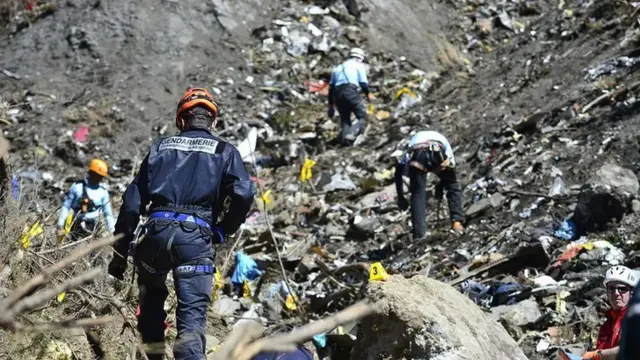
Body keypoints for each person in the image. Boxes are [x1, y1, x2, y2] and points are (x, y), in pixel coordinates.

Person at [107, 87, 256, 360]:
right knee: (191, 316)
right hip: (195, 239)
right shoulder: (225, 151)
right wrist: (225, 228)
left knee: (150, 300)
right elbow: (244, 193)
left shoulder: (159, 149)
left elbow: (131, 206)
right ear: (212, 121)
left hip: (154, 235)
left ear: (181, 119)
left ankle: (151, 353)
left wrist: (118, 257)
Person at [394, 130, 464, 239]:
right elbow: (450, 170)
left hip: (418, 153)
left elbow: (399, 170)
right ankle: (457, 223)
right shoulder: (444, 143)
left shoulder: (412, 143)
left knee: (418, 193)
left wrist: (401, 197)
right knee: (452, 186)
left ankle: (419, 233)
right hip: (438, 150)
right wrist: (443, 183)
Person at [582, 265, 639, 360]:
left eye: (622, 289)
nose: (616, 293)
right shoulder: (606, 327)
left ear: (631, 292)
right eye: (611, 289)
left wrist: (597, 355)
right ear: (607, 292)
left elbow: (632, 349)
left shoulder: (635, 320)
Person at [56, 158, 114, 241]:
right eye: (96, 175)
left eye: (100, 176)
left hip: (94, 226)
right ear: (91, 173)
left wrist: (111, 231)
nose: (97, 178)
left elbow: (108, 214)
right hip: (77, 224)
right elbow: (66, 206)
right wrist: (60, 225)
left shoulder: (103, 192)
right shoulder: (77, 187)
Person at [327, 47, 372, 146]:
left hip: (337, 94)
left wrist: (330, 105)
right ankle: (351, 134)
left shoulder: (338, 68)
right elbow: (363, 83)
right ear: (359, 58)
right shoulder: (358, 65)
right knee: (362, 117)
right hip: (350, 90)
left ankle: (345, 142)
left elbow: (330, 89)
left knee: (345, 119)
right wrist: (368, 95)